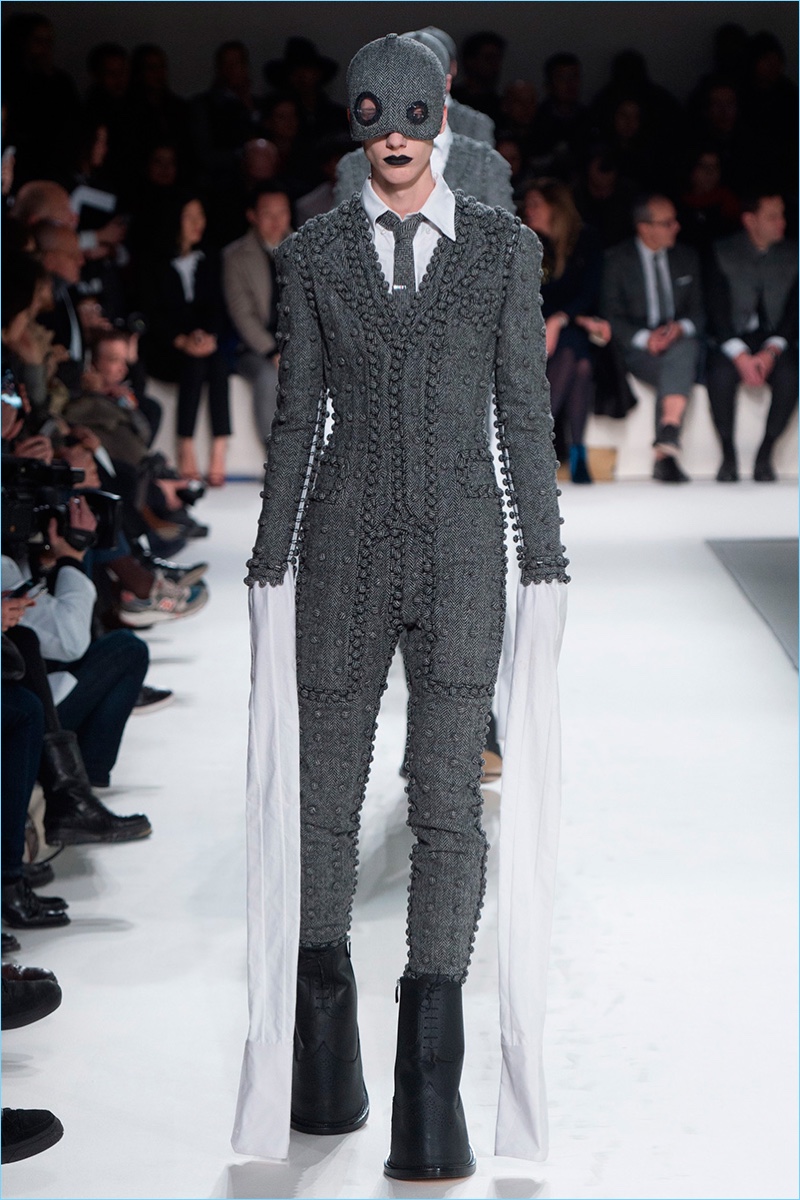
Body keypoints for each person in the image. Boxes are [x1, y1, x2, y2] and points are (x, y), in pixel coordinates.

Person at [234, 33, 568, 1181]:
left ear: (440, 120)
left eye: (413, 114)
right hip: (337, 548)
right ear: (357, 121)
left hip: (463, 549)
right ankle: (321, 1065)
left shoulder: (502, 251)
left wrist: (545, 562)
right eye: (374, 113)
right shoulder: (316, 252)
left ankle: (428, 1094)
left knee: (445, 805)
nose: (394, 133)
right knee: (322, 803)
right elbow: (296, 417)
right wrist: (267, 563)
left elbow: (522, 411)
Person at [334, 31, 513, 211]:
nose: (396, 140)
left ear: (446, 83)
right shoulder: (353, 167)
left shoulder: (486, 161)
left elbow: (500, 226)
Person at [600, 193, 704, 482]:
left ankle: (668, 436)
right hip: (636, 349)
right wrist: (647, 339)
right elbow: (610, 314)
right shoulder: (617, 260)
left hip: (677, 343)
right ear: (644, 228)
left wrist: (679, 328)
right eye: (667, 223)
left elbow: (700, 313)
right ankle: (666, 449)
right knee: (679, 362)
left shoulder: (686, 257)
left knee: (684, 349)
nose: (676, 227)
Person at [703, 190, 798, 481]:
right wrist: (741, 355)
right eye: (772, 217)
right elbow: (715, 310)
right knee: (719, 375)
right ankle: (728, 455)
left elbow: (794, 313)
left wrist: (771, 351)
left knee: (790, 376)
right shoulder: (723, 251)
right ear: (750, 220)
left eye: (782, 215)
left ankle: (765, 453)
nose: (781, 222)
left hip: (775, 338)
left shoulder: (793, 254)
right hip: (732, 338)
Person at [141, 194, 231, 484]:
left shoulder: (209, 258)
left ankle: (219, 447)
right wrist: (180, 340)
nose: (197, 223)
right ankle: (185, 446)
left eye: (200, 216)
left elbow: (217, 305)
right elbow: (152, 312)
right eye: (189, 217)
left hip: (201, 342)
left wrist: (209, 336)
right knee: (195, 364)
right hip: (165, 349)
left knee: (217, 362)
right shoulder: (155, 261)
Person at [222, 185, 292, 453]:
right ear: (252, 215)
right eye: (267, 214)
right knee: (267, 375)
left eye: (282, 213)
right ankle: (274, 452)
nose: (276, 221)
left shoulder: (307, 249)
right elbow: (242, 314)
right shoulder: (236, 256)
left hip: (297, 343)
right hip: (253, 348)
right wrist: (272, 351)